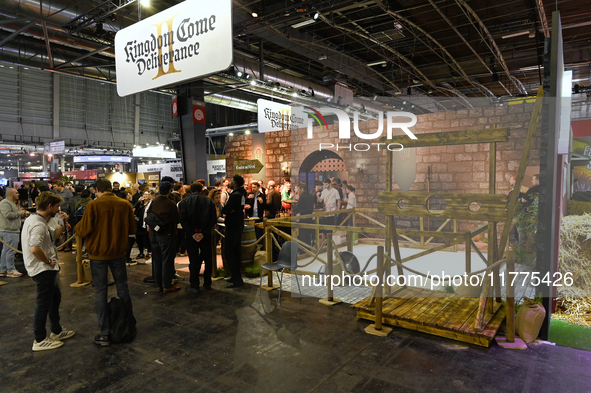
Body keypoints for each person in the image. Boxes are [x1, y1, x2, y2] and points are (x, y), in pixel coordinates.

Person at [75, 178, 137, 347]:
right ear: (111, 188)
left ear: (97, 190)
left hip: (98, 255)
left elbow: (83, 229)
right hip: (118, 253)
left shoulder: (93, 206)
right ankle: (129, 326)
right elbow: (133, 228)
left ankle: (104, 334)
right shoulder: (124, 204)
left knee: (100, 292)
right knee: (123, 288)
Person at [22, 191, 75, 351]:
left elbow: (55, 234)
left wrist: (61, 221)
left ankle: (56, 331)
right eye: (57, 206)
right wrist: (47, 261)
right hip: (42, 269)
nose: (59, 209)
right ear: (50, 206)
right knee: (43, 303)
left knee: (54, 299)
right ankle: (39, 339)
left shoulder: (36, 220)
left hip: (45, 269)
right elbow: (34, 248)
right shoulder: (38, 224)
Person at [179, 182, 217, 293]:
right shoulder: (208, 201)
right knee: (208, 259)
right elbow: (213, 219)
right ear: (201, 189)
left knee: (193, 260)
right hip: (205, 234)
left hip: (191, 235)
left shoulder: (184, 202)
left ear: (190, 190)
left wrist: (192, 232)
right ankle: (207, 283)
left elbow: (183, 219)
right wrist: (204, 232)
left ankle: (194, 284)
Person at [148, 182, 180, 293]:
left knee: (157, 260)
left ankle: (158, 285)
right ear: (169, 191)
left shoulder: (154, 201)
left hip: (153, 234)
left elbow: (148, 215)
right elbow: (176, 218)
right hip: (166, 235)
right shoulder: (170, 203)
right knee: (167, 260)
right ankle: (166, 285)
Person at [221, 175, 246, 288]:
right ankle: (235, 276)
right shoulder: (241, 193)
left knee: (230, 251)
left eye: (232, 181)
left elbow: (225, 209)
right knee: (236, 250)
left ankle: (236, 278)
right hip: (238, 224)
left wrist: (228, 210)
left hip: (233, 225)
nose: (230, 182)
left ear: (235, 183)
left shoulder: (235, 195)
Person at [0, 188, 29, 278]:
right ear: (10, 195)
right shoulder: (5, 203)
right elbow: (8, 215)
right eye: (16, 193)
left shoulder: (10, 203)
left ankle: (3, 269)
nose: (18, 194)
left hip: (10, 230)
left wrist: (22, 213)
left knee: (6, 251)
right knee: (11, 251)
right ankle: (10, 270)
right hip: (9, 230)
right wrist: (20, 213)